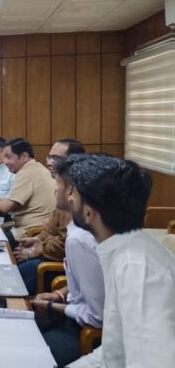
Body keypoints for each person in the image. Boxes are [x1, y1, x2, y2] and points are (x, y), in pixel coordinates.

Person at [66, 154, 175, 368]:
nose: (69, 199)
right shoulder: (124, 251)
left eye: (74, 193)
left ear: (88, 213)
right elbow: (114, 352)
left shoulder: (136, 267)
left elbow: (152, 363)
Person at [31, 156, 104, 367]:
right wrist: (60, 294)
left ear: (72, 192)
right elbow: (93, 284)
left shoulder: (80, 239)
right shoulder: (81, 231)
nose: (54, 188)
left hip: (84, 332)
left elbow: (97, 317)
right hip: (75, 315)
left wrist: (52, 306)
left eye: (57, 182)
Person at [15, 138, 86, 294]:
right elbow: (51, 228)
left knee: (16, 276)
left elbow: (63, 244)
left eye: (56, 158)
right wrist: (37, 239)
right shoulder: (62, 186)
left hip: (57, 265)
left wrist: (36, 251)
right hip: (48, 251)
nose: (49, 162)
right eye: (49, 157)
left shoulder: (75, 194)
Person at [0, 138, 55, 240]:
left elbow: (6, 207)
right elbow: (13, 202)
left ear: (24, 156)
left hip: (33, 231)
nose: (5, 162)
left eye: (9, 157)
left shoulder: (26, 173)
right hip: (33, 227)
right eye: (4, 157)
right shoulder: (35, 167)